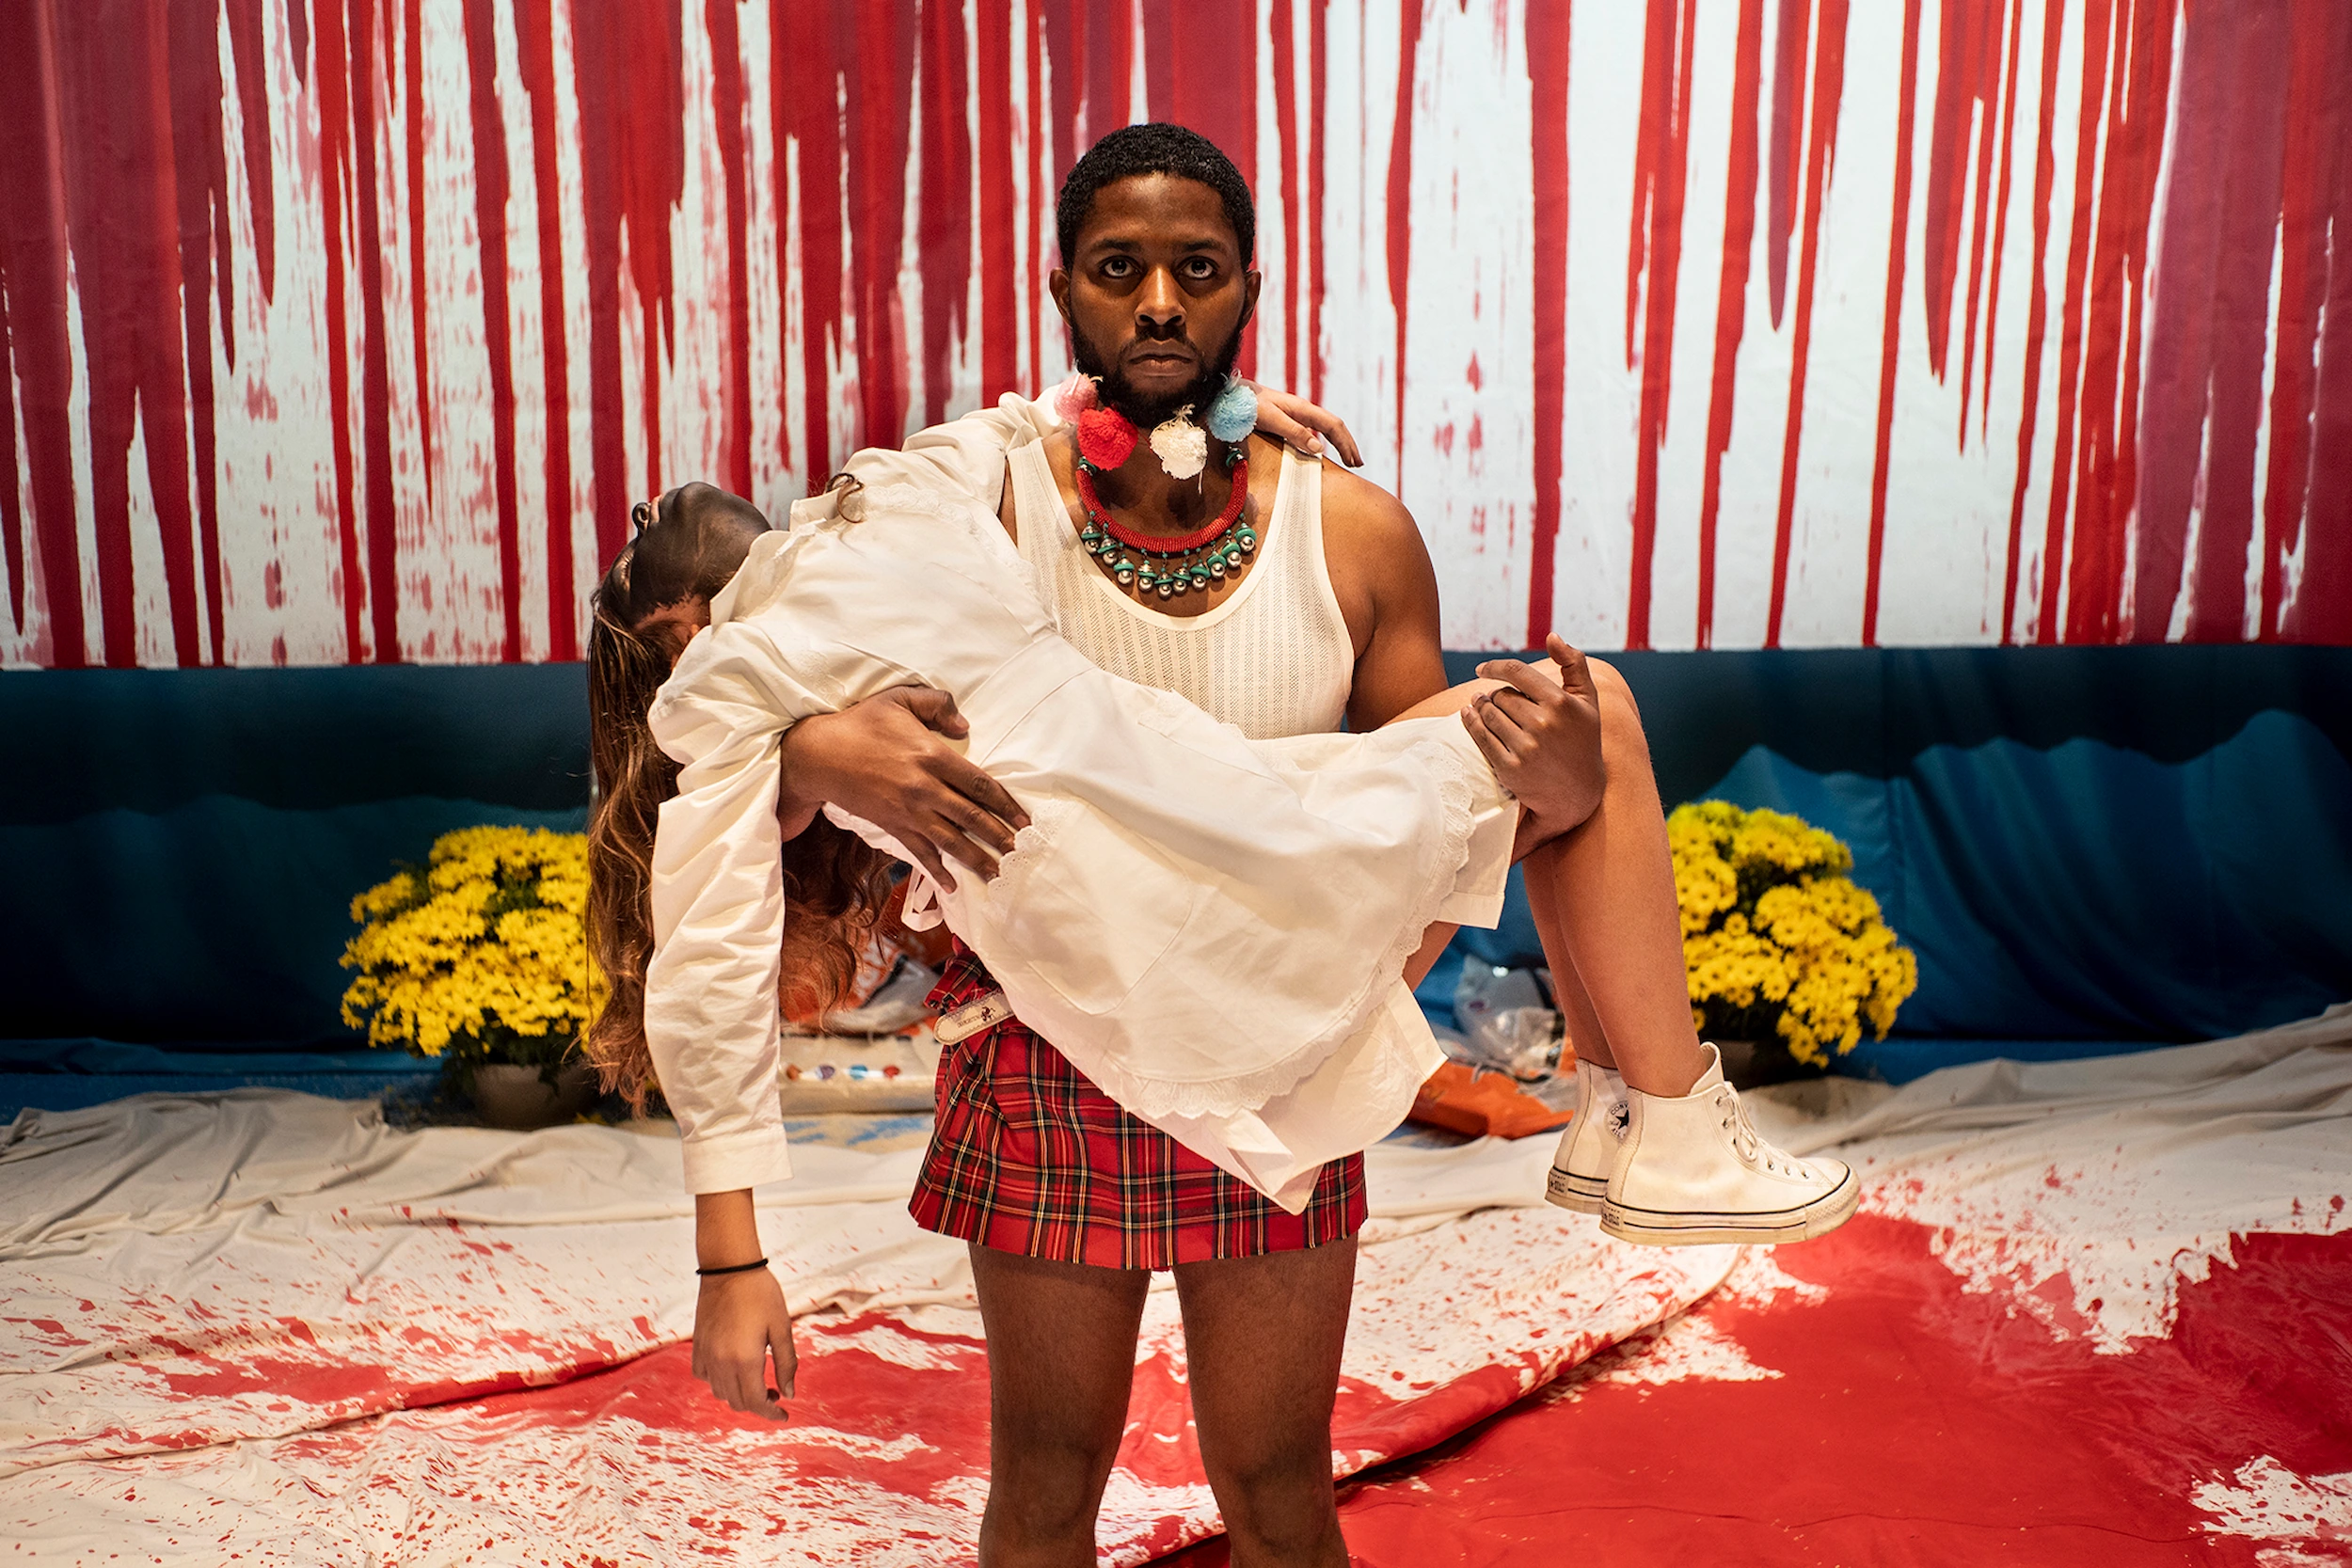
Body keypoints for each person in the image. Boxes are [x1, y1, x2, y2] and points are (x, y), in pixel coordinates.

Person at [602, 124, 1855, 1567]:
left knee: (1276, 1482)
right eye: (1119, 272)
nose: (1155, 305)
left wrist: (1223, 412)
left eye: (1195, 275)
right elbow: (710, 931)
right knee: (1048, 1488)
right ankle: (1659, 1121)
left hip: (1246, 919)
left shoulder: (916, 492)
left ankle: (1638, 1119)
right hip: (1074, 1018)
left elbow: (1034, 417)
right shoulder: (782, 654)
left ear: (1245, 284)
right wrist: (732, 1253)